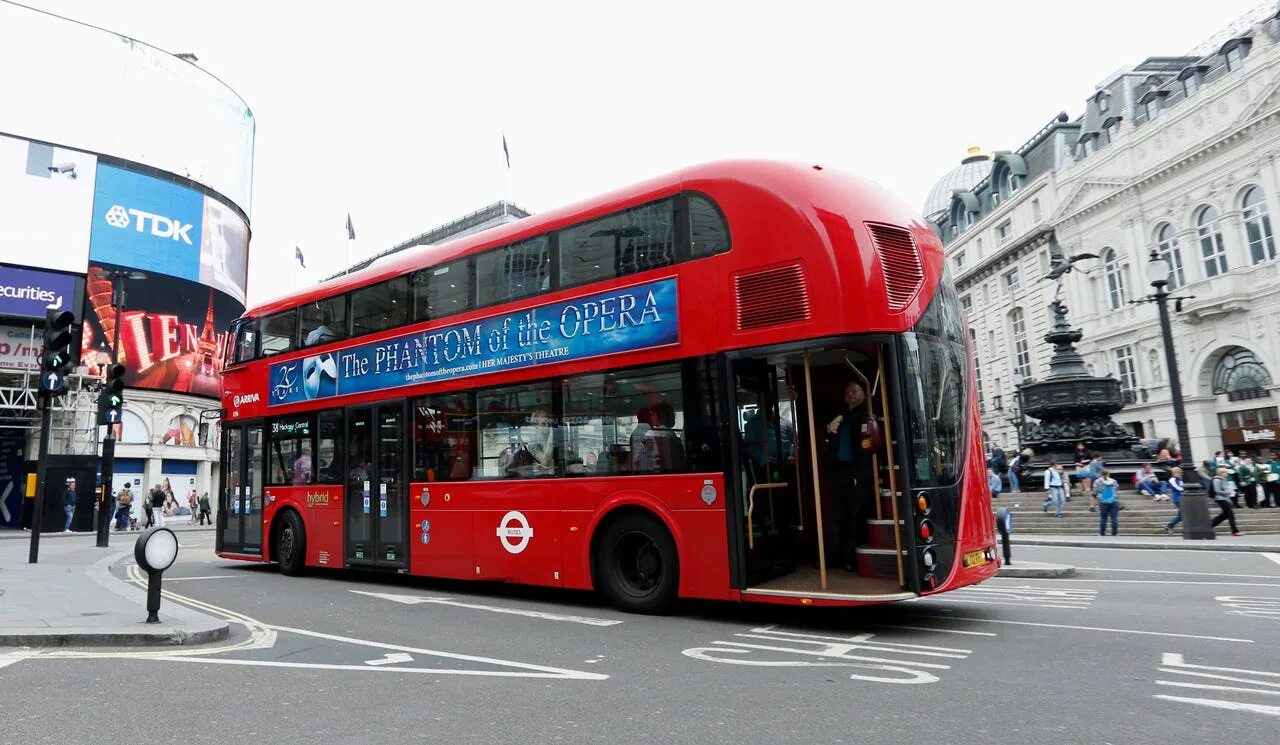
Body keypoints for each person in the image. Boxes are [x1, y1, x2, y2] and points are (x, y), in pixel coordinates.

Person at [825, 381, 874, 571]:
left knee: (855, 518)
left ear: (864, 394)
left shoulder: (864, 414)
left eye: (854, 391)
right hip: (840, 473)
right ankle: (833, 559)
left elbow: (857, 420)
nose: (850, 394)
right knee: (837, 517)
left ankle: (852, 560)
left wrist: (840, 418)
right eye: (847, 391)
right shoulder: (840, 416)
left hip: (859, 473)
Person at [1210, 467, 1243, 536]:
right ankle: (1235, 531)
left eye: (1226, 472)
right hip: (1220, 499)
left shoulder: (1224, 479)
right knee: (1231, 515)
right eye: (1225, 472)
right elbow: (1217, 490)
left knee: (1224, 515)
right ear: (1220, 473)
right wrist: (1227, 492)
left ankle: (1209, 526)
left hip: (1225, 499)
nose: (1226, 473)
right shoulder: (1217, 479)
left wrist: (1229, 498)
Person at [1094, 469, 1120, 536]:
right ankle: (1114, 533)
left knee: (1103, 518)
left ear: (1101, 474)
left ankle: (1102, 533)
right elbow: (1117, 489)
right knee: (1114, 517)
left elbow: (1095, 491)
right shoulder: (1114, 481)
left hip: (1103, 501)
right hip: (1113, 501)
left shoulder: (1097, 481)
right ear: (1108, 474)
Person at [1163, 467, 1185, 535]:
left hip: (1183, 497)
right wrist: (1184, 489)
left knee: (1181, 515)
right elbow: (1177, 487)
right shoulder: (1172, 479)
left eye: (1180, 473)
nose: (1179, 474)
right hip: (1177, 498)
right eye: (1177, 473)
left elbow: (1182, 486)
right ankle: (1169, 526)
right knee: (1184, 513)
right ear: (1173, 473)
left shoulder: (1180, 479)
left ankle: (1169, 526)